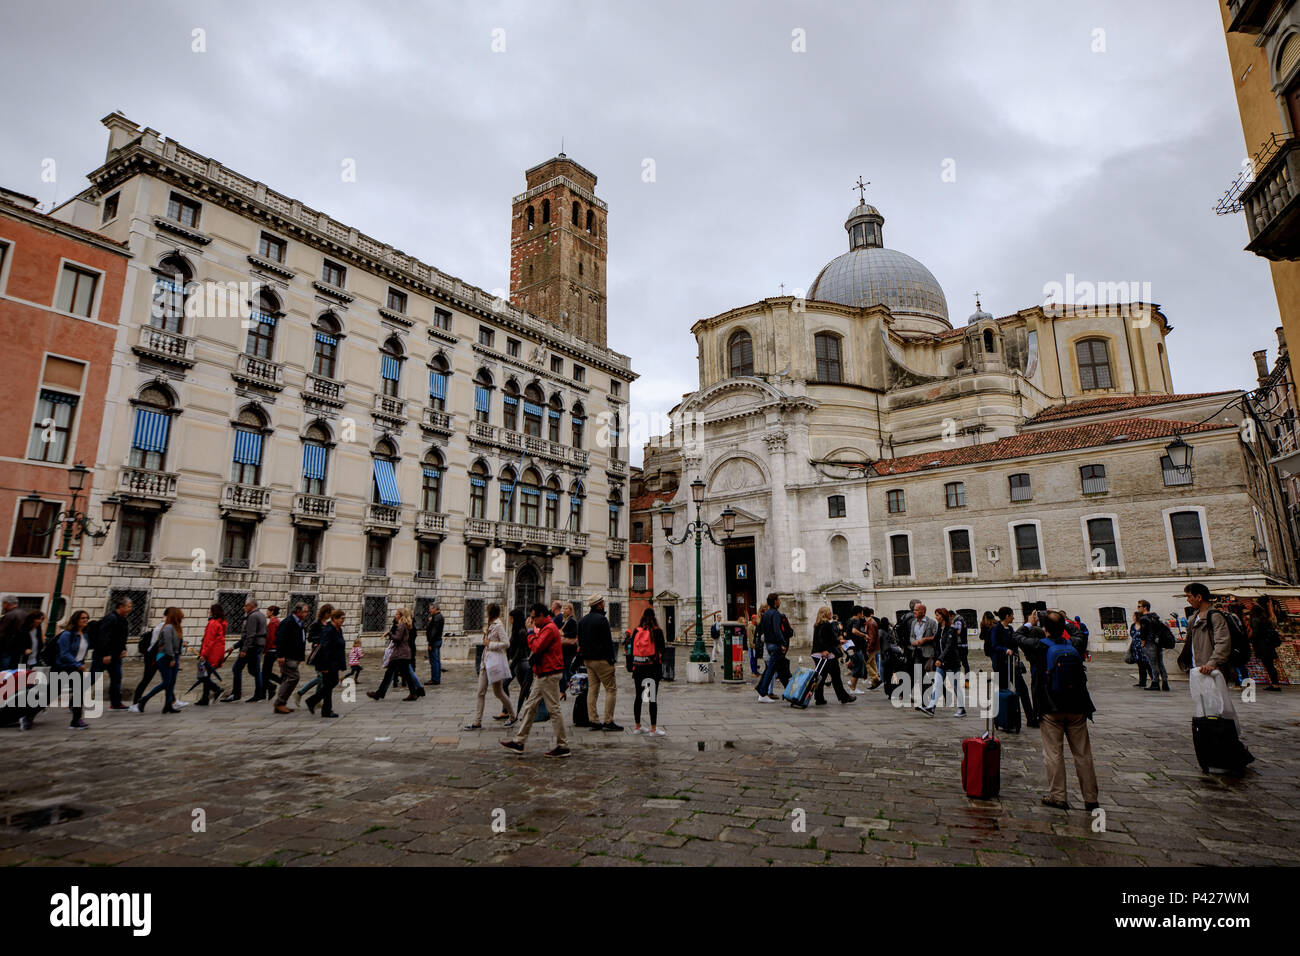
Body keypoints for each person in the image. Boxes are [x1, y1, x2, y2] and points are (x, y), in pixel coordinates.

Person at [1009, 610, 1099, 811]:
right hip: (1077, 705)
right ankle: (1091, 798)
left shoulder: (1039, 646)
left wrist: (1029, 623)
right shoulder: (1074, 644)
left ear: (1045, 629)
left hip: (1051, 707)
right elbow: (1079, 633)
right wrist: (1063, 620)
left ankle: (1058, 796)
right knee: (1083, 754)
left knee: (1053, 753)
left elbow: (1016, 637)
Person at [1182, 583, 1254, 773]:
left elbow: (1223, 643)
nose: (1187, 599)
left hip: (1212, 672)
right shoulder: (1194, 618)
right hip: (1200, 671)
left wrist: (1213, 663)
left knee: (1219, 715)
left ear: (1199, 597)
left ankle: (1233, 754)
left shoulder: (1215, 616)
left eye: (1189, 596)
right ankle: (1216, 752)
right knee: (1207, 715)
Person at [500, 602, 569, 757]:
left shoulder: (550, 628)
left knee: (554, 710)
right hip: (542, 673)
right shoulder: (545, 628)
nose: (531, 620)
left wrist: (530, 632)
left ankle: (563, 746)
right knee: (530, 706)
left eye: (533, 617)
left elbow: (537, 647)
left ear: (542, 616)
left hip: (549, 674)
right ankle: (519, 742)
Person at [464, 603, 515, 730]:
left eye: (487, 610)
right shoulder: (491, 625)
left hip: (494, 663)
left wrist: (490, 644)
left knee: (498, 692)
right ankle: (477, 721)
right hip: (485, 662)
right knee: (480, 692)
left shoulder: (498, 626)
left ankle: (513, 715)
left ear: (490, 612)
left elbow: (506, 643)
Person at [578, 594, 620, 731]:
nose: (604, 603)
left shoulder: (582, 621)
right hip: (602, 660)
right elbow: (608, 642)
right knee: (611, 690)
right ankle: (608, 721)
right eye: (602, 602)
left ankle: (594, 720)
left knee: (592, 690)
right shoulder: (602, 620)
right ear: (599, 605)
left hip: (588, 660)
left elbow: (581, 642)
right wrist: (611, 661)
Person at [993, 606, 1037, 727]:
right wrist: (1005, 649)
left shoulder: (1011, 628)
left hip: (1013, 664)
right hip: (1002, 665)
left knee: (1022, 690)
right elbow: (994, 646)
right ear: (1007, 616)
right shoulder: (996, 629)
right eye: (1012, 615)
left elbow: (1015, 641)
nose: (1013, 617)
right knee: (1002, 691)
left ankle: (1030, 718)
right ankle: (1001, 718)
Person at [367, 608, 424, 701]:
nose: (395, 615)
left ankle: (379, 693)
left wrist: (389, 634)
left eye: (397, 614)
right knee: (400, 674)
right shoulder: (404, 625)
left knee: (392, 674)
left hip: (400, 654)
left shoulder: (401, 625)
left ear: (401, 616)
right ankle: (413, 693)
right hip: (401, 654)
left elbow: (398, 638)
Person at [137, 607, 184, 715]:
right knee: (166, 682)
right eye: (180, 616)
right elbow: (167, 644)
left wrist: (177, 658)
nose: (181, 618)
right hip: (165, 657)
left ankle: (168, 705)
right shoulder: (168, 628)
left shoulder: (176, 628)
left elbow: (177, 645)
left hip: (174, 657)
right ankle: (144, 699)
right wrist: (171, 658)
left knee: (171, 682)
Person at [630, 608, 667, 735]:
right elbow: (663, 650)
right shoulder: (657, 632)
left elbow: (630, 650)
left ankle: (637, 726)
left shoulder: (636, 631)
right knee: (652, 698)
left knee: (638, 697)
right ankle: (653, 728)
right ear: (654, 617)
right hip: (652, 669)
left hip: (638, 668)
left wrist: (631, 667)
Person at [924, 608, 967, 718]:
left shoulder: (951, 630)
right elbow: (937, 643)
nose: (936, 617)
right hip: (942, 663)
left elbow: (949, 647)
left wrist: (940, 659)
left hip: (952, 662)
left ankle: (962, 708)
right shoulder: (940, 628)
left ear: (943, 616)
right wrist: (936, 657)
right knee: (937, 684)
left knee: (956, 685)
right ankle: (931, 706)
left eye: (937, 615)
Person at [91, 596, 131, 711]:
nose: (130, 609)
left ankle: (116, 703)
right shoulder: (111, 618)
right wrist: (106, 654)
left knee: (116, 678)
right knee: (93, 678)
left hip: (116, 656)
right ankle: (73, 702)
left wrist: (123, 649)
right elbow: (103, 637)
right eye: (128, 607)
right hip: (103, 655)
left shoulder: (123, 620)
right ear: (120, 606)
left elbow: (122, 637)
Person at [53, 610, 92, 729]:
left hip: (77, 668)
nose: (85, 620)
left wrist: (79, 664)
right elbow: (64, 654)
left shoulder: (85, 634)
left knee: (78, 694)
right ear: (76, 620)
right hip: (64, 668)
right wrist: (76, 664)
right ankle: (28, 714)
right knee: (51, 693)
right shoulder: (67, 634)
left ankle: (76, 721)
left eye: (86, 618)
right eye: (82, 618)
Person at [306, 608, 346, 718]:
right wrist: (323, 666)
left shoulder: (338, 629)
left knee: (329, 685)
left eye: (344, 619)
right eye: (341, 619)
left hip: (335, 662)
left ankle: (322, 707)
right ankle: (317, 704)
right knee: (330, 684)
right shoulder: (328, 630)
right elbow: (324, 648)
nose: (343, 621)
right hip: (328, 662)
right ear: (334, 618)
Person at [224, 599, 267, 702]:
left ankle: (236, 694)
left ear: (251, 606)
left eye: (245, 606)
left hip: (251, 647)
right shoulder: (261, 615)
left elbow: (250, 635)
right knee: (255, 671)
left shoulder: (252, 616)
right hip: (257, 646)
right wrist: (234, 646)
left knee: (236, 668)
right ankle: (260, 694)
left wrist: (244, 650)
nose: (244, 608)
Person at [811, 606, 855, 705]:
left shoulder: (817, 624)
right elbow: (826, 640)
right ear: (825, 614)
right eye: (829, 612)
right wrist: (839, 642)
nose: (831, 614)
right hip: (827, 654)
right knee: (835, 676)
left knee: (821, 677)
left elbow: (821, 639)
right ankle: (843, 697)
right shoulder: (826, 624)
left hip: (817, 653)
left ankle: (819, 698)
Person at [273, 602, 309, 713]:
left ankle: (281, 703)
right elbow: (280, 639)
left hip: (295, 656)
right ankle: (279, 702)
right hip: (288, 656)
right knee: (294, 677)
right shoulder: (288, 622)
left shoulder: (299, 623)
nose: (306, 614)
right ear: (298, 611)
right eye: (304, 611)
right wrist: (280, 655)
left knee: (286, 679)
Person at [296, 604, 334, 703]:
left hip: (327, 653)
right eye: (329, 613)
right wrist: (320, 639)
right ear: (325, 612)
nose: (330, 616)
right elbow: (310, 638)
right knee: (321, 677)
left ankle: (316, 699)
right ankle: (301, 692)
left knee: (321, 678)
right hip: (318, 653)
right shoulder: (316, 624)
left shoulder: (328, 624)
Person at [756, 593, 788, 701]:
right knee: (772, 669)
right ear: (775, 602)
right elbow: (777, 630)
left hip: (768, 644)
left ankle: (789, 691)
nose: (780, 602)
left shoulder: (765, 615)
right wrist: (783, 643)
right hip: (775, 645)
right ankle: (763, 692)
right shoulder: (775, 614)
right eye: (779, 600)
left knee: (779, 668)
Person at [1133, 599, 1170, 692]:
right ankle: (1165, 683)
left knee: (1153, 664)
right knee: (1160, 663)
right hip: (1158, 643)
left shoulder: (1144, 618)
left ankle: (1155, 683)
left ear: (1145, 607)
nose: (1138, 609)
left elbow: (1144, 632)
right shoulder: (1155, 617)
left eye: (1139, 606)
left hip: (1150, 643)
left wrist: (1143, 643)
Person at [195, 603, 227, 705]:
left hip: (210, 654)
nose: (209, 611)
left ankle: (217, 689)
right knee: (206, 675)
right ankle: (204, 699)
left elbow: (208, 641)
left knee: (202, 676)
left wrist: (203, 655)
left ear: (213, 612)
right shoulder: (222, 623)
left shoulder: (213, 623)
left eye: (210, 610)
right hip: (217, 653)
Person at [1246, 603, 1283, 692]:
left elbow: (1255, 633)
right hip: (1268, 646)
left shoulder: (1255, 620)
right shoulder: (1265, 619)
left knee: (1269, 665)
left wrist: (1250, 639)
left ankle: (1275, 684)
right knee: (1270, 665)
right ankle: (1275, 683)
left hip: (1263, 646)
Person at [908, 603, 938, 687]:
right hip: (917, 652)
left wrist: (925, 639)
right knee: (920, 675)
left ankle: (944, 692)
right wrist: (913, 641)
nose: (914, 612)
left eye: (917, 610)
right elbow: (911, 636)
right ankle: (925, 697)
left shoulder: (931, 622)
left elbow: (936, 636)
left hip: (928, 653)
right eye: (914, 610)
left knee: (932, 676)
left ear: (923, 612)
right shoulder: (914, 623)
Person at [0, 596, 26, 670]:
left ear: (7, 604)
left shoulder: (9, 615)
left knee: (4, 670)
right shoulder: (24, 613)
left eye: (3, 604)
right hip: (20, 647)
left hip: (7, 647)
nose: (2, 606)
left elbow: (2, 632)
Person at [261, 606, 281, 698]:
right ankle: (268, 689)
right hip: (275, 649)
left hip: (271, 650)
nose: (266, 613)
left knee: (265, 673)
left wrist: (265, 650)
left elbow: (270, 638)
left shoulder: (273, 623)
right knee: (266, 672)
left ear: (272, 612)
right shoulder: (277, 621)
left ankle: (275, 684)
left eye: (267, 611)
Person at [1129, 609, 1152, 688]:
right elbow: (1132, 635)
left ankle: (1154, 680)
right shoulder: (1133, 625)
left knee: (1148, 665)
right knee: (1140, 665)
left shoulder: (1143, 625)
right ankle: (1142, 682)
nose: (1133, 617)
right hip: (1136, 648)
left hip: (1143, 648)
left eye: (1134, 616)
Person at [559, 602, 579, 692]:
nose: (565, 610)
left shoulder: (572, 620)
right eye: (564, 608)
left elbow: (574, 633)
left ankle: (573, 683)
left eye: (567, 608)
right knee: (566, 668)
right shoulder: (566, 620)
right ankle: (571, 683)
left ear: (571, 610)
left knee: (565, 668)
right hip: (565, 648)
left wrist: (564, 634)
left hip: (570, 648)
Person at [425, 600, 444, 685]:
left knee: (434, 661)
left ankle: (435, 679)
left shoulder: (437, 617)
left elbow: (434, 631)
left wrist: (430, 643)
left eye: (431, 609)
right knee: (436, 660)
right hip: (437, 640)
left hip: (435, 641)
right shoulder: (437, 616)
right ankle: (436, 678)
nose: (430, 610)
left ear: (435, 608)